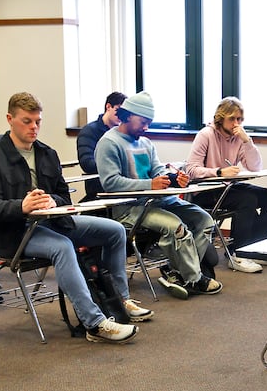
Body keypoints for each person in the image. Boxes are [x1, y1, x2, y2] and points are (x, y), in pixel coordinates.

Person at [0, 91, 151, 344]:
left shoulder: (47, 153)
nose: (34, 127)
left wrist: (52, 201)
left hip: (52, 221)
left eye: (38, 121)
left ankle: (121, 301)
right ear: (9, 119)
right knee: (62, 247)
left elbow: (63, 196)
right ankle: (95, 322)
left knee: (114, 230)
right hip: (13, 231)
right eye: (27, 121)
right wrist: (21, 206)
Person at [95, 91, 223, 300]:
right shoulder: (109, 142)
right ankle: (193, 278)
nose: (146, 127)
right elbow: (110, 183)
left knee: (205, 220)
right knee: (175, 226)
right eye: (143, 121)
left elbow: (158, 173)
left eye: (149, 122)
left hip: (157, 201)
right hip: (129, 208)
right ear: (127, 116)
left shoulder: (146, 143)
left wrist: (175, 179)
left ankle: (178, 273)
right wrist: (150, 184)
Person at [185, 96, 267, 273]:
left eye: (240, 119)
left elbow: (255, 167)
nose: (236, 123)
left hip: (228, 187)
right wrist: (219, 172)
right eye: (232, 119)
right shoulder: (206, 135)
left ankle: (257, 249)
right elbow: (191, 169)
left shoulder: (238, 138)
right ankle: (237, 253)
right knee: (247, 199)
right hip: (206, 190)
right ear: (221, 118)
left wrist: (247, 140)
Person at [76, 91, 127, 201]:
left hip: (122, 183)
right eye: (118, 110)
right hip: (99, 186)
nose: (121, 116)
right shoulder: (89, 131)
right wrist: (114, 165)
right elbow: (87, 163)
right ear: (108, 107)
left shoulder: (123, 133)